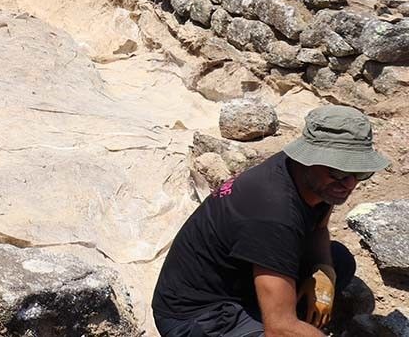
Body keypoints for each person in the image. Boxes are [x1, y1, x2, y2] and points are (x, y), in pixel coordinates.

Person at [152, 104, 390, 337]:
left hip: (241, 276)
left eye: (360, 173)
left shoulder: (313, 180)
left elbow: (319, 228)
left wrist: (323, 269)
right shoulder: (273, 212)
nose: (349, 184)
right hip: (198, 315)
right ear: (307, 158)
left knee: (339, 262)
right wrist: (289, 324)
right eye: (339, 173)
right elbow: (280, 329)